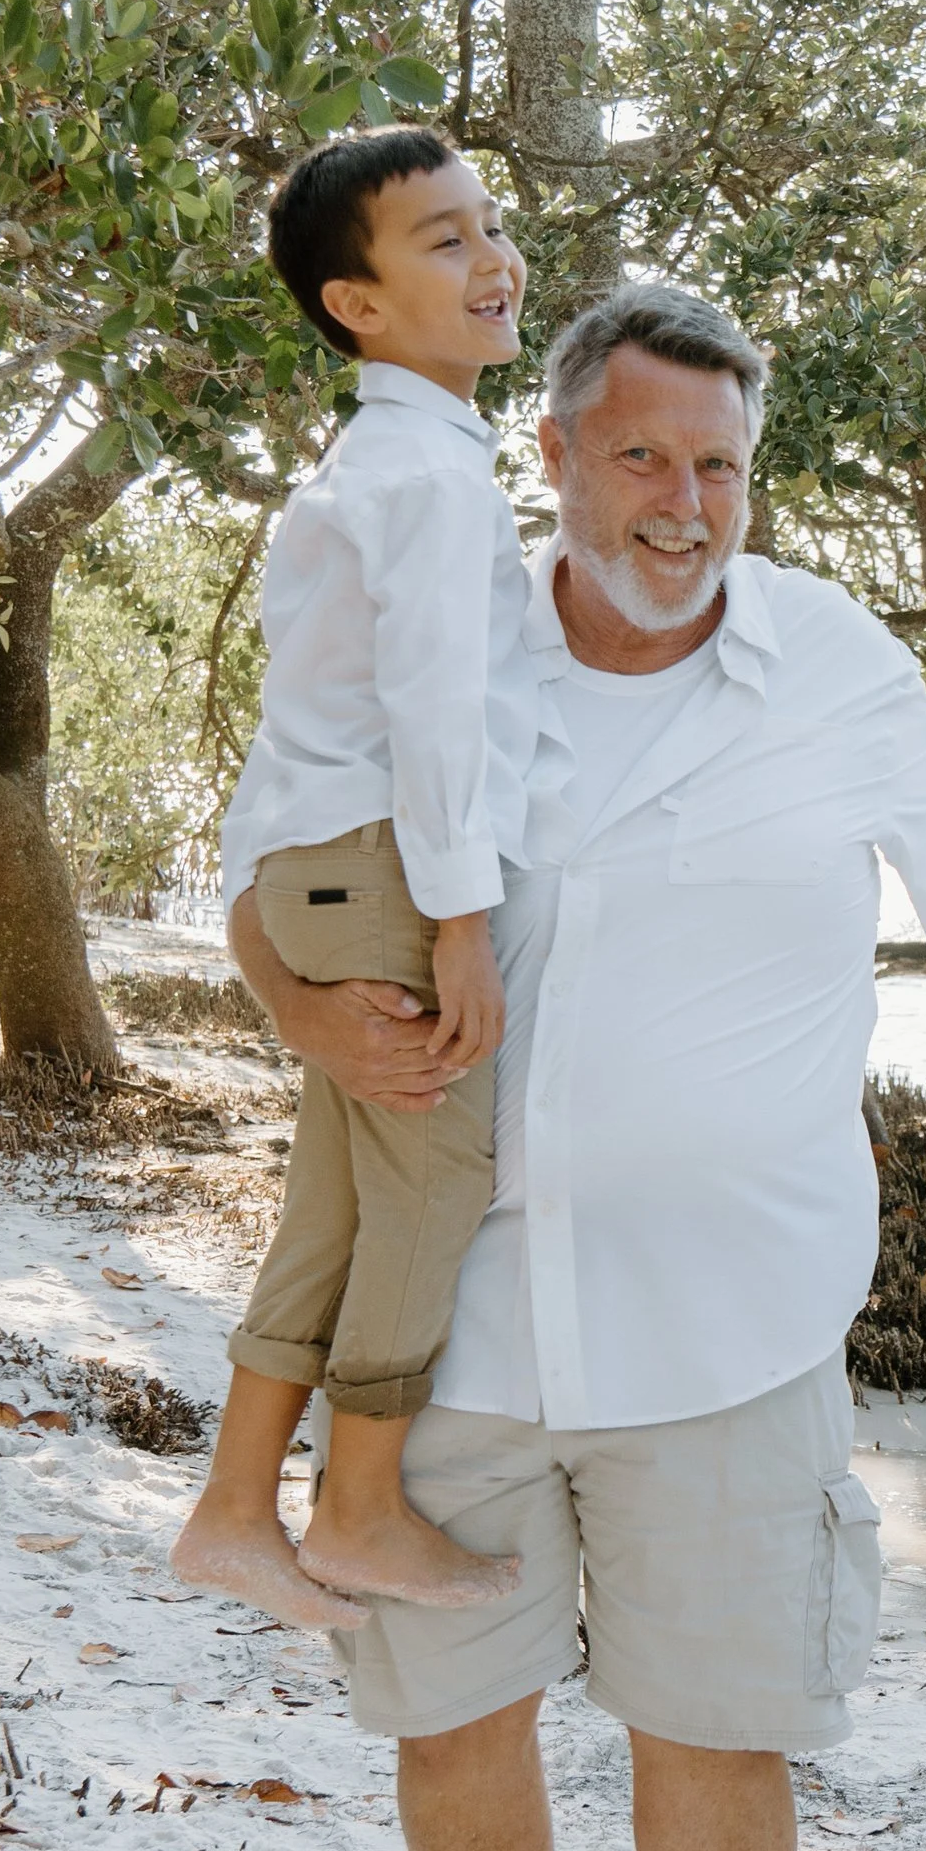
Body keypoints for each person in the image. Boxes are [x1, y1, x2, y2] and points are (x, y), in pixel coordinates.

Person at [224, 277, 926, 1851]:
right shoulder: (433, 646)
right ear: (549, 457)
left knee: (711, 1730)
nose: (683, 503)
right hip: (444, 1309)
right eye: (639, 456)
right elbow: (262, 856)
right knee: (448, 1717)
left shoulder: (829, 661)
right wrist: (300, 1013)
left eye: (719, 465)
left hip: (730, 1317)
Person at [175, 129, 547, 1632]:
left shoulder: (393, 459)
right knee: (435, 1176)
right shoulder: (427, 476)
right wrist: (463, 923)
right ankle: (360, 1504)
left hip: (332, 869)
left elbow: (303, 728)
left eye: (489, 227)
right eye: (444, 242)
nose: (492, 259)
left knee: (336, 1197)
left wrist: (256, 910)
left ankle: (230, 1510)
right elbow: (439, 719)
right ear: (359, 305)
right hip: (393, 872)